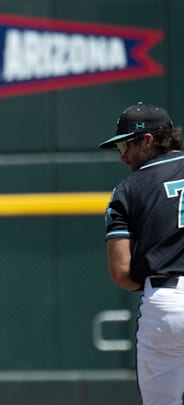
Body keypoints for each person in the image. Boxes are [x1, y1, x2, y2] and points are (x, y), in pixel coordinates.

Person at [99, 102, 184, 405]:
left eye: (125, 145)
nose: (122, 155)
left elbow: (122, 273)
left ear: (148, 141)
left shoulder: (128, 188)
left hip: (166, 302)